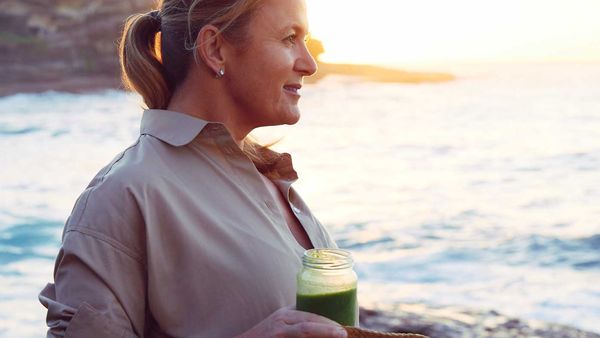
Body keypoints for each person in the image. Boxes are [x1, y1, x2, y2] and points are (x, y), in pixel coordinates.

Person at [38, 0, 348, 337]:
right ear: (215, 49)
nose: (309, 64)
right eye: (290, 38)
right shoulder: (124, 194)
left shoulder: (269, 176)